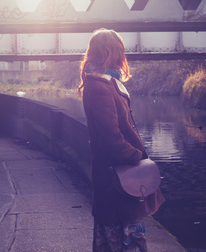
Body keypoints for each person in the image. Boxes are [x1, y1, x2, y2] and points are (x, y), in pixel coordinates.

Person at [78, 28, 165, 252]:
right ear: (111, 52)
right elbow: (111, 138)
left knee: (120, 238)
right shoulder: (99, 86)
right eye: (120, 50)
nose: (123, 55)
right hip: (115, 176)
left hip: (117, 175)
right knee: (122, 239)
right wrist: (138, 157)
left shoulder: (106, 82)